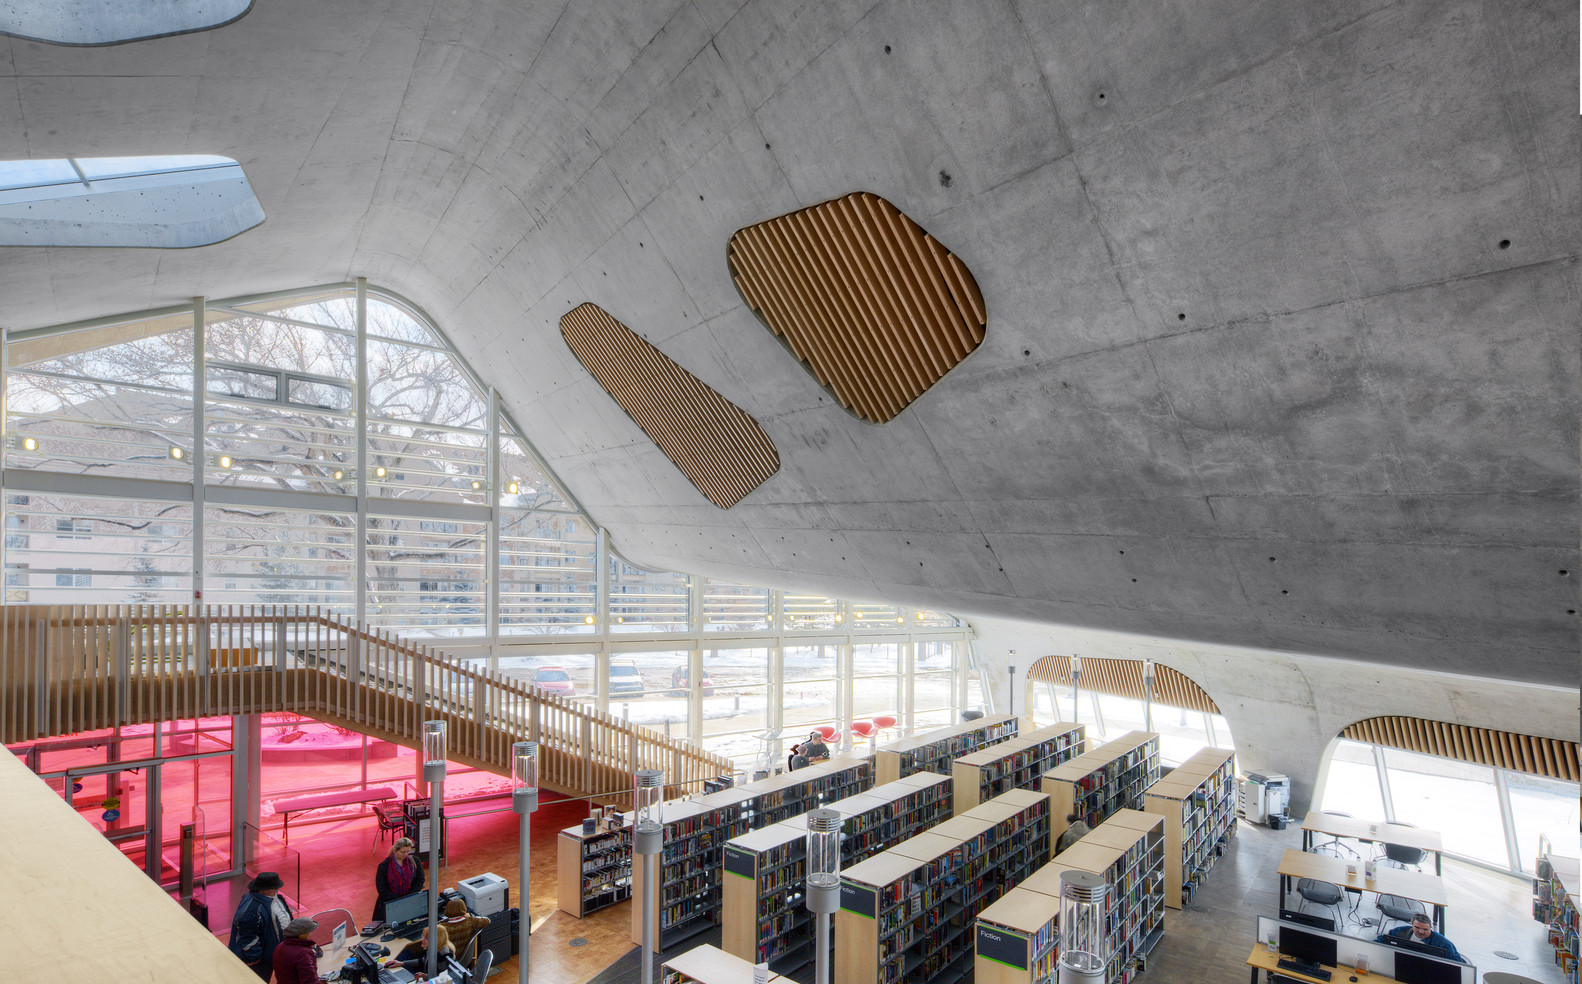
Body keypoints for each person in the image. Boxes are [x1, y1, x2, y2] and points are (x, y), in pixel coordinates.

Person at [228, 871, 293, 980]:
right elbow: (246, 936)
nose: (277, 890)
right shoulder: (251, 908)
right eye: (274, 887)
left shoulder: (273, 898)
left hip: (273, 953)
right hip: (261, 960)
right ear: (264, 889)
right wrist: (256, 957)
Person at [374, 837, 425, 923]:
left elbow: (420, 879)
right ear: (395, 851)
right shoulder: (384, 866)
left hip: (410, 902)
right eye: (402, 852)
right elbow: (381, 889)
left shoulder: (415, 861)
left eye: (408, 851)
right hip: (391, 904)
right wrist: (400, 899)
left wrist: (410, 896)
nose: (406, 854)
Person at [1375, 913, 1464, 962]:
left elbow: (1456, 962)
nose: (1421, 931)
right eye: (1417, 928)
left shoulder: (1442, 943)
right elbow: (1382, 940)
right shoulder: (1400, 932)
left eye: (1425, 929)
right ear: (1411, 924)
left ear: (1430, 928)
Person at [271, 917, 321, 984]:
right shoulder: (303, 954)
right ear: (302, 934)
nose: (310, 934)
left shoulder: (280, 946)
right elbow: (309, 981)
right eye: (309, 932)